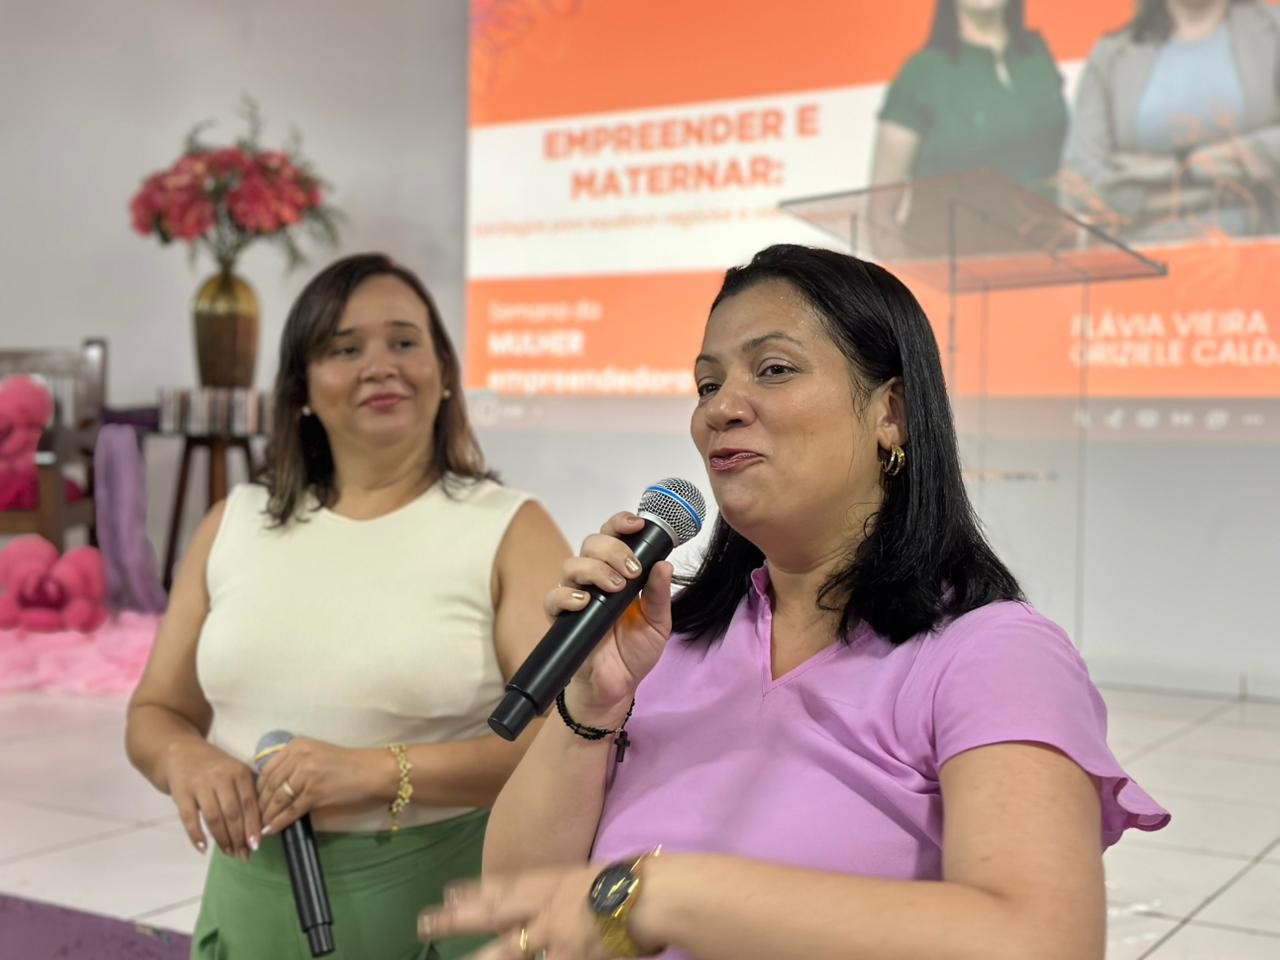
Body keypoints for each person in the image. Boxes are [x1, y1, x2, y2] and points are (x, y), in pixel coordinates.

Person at [419, 244, 1170, 960]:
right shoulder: (664, 643)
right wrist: (592, 705)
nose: (721, 408)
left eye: (773, 369)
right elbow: (525, 901)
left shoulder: (992, 654)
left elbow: (1041, 941)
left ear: (893, 413)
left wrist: (667, 895)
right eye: (706, 385)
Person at [125, 253, 570, 959]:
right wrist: (186, 758)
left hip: (441, 901)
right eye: (344, 348)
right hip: (250, 900)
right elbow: (155, 711)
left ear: (444, 371)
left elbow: (560, 738)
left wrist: (381, 771)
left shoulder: (512, 528)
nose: (380, 366)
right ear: (301, 387)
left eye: (404, 341)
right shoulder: (233, 521)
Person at [1061, 0, 1280, 242]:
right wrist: (1217, 178)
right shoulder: (1112, 54)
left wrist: (1160, 174)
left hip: (1261, 252)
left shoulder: (1274, 32)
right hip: (1143, 255)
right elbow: (1079, 185)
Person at [867, 0, 1069, 254]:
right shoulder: (922, 72)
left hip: (1046, 256)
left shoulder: (1037, 53)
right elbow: (881, 215)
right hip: (946, 261)